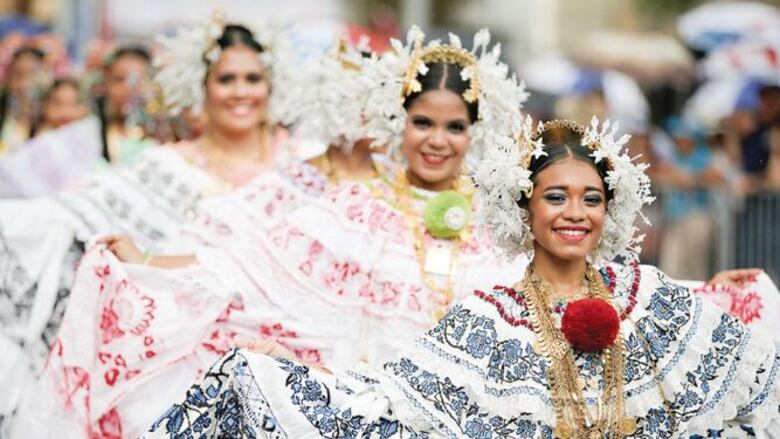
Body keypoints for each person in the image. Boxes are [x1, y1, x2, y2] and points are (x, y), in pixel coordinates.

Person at [12, 27, 529, 439]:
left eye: (454, 127)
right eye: (422, 123)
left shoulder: (498, 222)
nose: (436, 141)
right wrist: (144, 260)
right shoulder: (353, 207)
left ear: (474, 131)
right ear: (400, 123)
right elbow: (239, 268)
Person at [140, 117, 780, 438]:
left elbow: (742, 369)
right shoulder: (491, 312)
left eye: (590, 198)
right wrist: (288, 369)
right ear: (524, 207)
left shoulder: (649, 296)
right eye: (555, 197)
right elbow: (395, 396)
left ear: (609, 208)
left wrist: (726, 293)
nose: (574, 213)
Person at [0, 18, 294, 435]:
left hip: (278, 354)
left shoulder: (301, 166)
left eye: (253, 78)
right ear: (203, 87)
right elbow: (69, 217)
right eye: (227, 79)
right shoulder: (167, 164)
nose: (241, 91)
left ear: (271, 84)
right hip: (173, 367)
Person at [0, 46, 51, 152]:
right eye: (18, 75)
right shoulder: (4, 105)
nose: (24, 85)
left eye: (31, 75)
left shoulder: (50, 112)